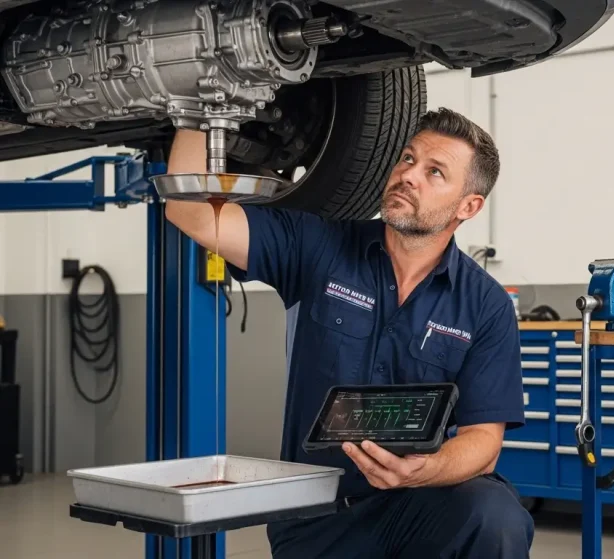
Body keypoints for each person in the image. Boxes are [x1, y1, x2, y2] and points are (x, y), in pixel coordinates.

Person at [164, 108, 534, 558]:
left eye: (434, 172)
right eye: (407, 159)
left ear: (468, 206)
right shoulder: (319, 247)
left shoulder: (485, 303)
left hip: (418, 506)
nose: (408, 175)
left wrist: (424, 470)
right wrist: (196, 108)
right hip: (317, 515)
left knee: (495, 515)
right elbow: (192, 214)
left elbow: (484, 441)